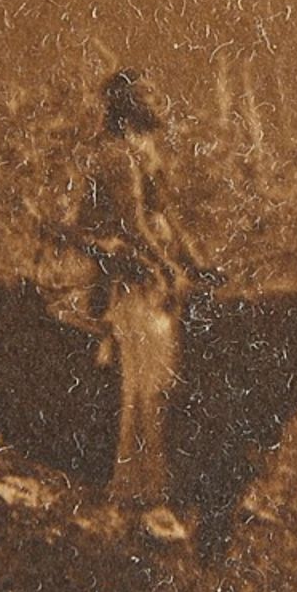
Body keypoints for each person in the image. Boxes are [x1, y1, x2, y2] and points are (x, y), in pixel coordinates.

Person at [74, 69, 211, 533]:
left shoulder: (144, 150)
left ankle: (189, 474)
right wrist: (167, 266)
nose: (157, 101)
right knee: (151, 371)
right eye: (146, 95)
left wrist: (196, 262)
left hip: (153, 264)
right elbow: (132, 223)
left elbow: (164, 213)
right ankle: (144, 487)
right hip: (122, 271)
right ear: (127, 104)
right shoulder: (116, 156)